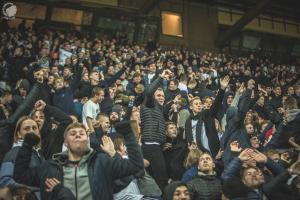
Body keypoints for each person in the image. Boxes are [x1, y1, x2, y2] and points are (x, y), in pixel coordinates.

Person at [13, 120, 144, 200]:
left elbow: (136, 166)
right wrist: (26, 146)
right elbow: (20, 176)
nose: (77, 134)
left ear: (87, 139)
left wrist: (128, 134)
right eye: (72, 133)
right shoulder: (49, 167)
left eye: (82, 133)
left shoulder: (102, 162)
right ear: (65, 141)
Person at [141, 69, 172, 190]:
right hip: (151, 146)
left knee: (155, 178)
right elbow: (148, 92)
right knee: (161, 178)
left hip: (155, 146)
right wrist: (161, 77)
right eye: (158, 95)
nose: (162, 98)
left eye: (163, 96)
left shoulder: (158, 110)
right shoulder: (149, 103)